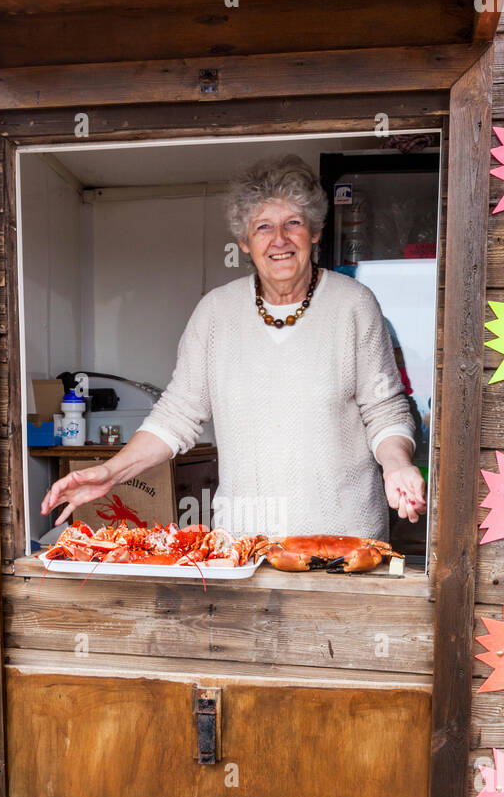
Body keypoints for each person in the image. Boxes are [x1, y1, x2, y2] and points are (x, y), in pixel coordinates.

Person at [41, 155, 427, 538]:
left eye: (293, 223)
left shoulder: (353, 305)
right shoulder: (215, 313)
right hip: (246, 546)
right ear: (244, 241)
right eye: (263, 227)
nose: (280, 239)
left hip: (344, 540)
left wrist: (396, 465)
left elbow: (384, 408)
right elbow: (176, 416)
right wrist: (110, 472)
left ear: (314, 232)